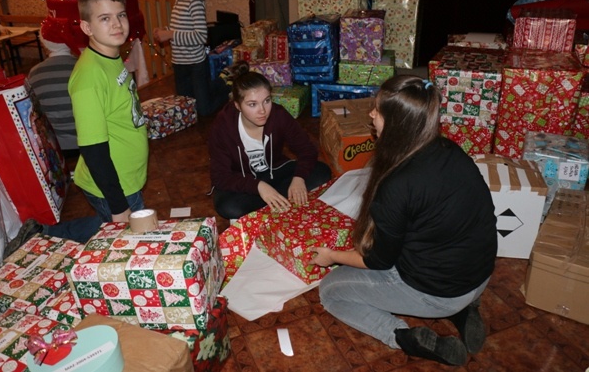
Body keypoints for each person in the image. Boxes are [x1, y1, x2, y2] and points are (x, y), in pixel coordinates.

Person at [310, 75, 497, 366]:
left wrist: (330, 256)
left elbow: (378, 261)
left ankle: (401, 336)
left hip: (440, 293)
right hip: (480, 274)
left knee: (331, 292)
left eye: (377, 111)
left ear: (397, 123)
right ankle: (464, 310)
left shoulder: (397, 185)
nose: (371, 114)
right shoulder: (451, 150)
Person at [4, 0, 149, 255]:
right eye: (104, 18)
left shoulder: (111, 56)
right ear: (87, 28)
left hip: (126, 176)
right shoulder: (88, 78)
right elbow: (93, 150)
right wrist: (118, 205)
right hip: (113, 184)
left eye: (120, 15)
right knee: (131, 247)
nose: (117, 24)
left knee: (106, 225)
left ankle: (43, 233)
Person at [208, 61, 332, 220]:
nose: (262, 111)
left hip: (274, 172)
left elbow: (307, 150)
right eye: (252, 104)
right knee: (228, 207)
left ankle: (271, 202)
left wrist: (298, 178)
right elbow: (220, 176)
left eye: (266, 101)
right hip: (242, 179)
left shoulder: (279, 115)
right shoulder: (223, 126)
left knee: (322, 173)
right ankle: (278, 199)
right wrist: (259, 186)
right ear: (237, 105)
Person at [153, 0, 227, 116]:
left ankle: (226, 87)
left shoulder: (195, 1)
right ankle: (210, 88)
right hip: (180, 64)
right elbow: (181, 29)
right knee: (187, 108)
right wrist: (164, 31)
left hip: (195, 65)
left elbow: (201, 37)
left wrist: (170, 34)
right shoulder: (179, 0)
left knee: (203, 111)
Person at [26, 22, 79, 157]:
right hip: (87, 141)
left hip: (55, 146)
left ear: (44, 44)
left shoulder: (35, 73)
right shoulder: (83, 67)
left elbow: (33, 110)